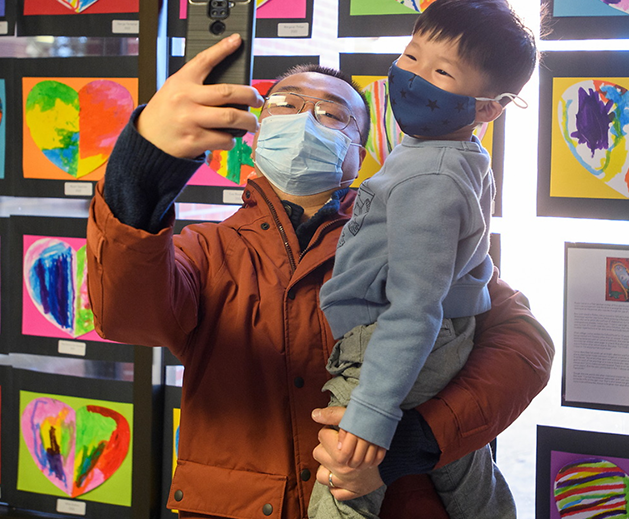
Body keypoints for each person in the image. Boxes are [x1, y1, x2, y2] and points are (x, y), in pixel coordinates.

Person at [86, 32, 554, 519]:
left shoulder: (413, 229)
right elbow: (125, 316)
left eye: (332, 114)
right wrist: (141, 165)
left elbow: (525, 343)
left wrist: (420, 438)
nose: (305, 120)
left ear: (358, 153)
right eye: (285, 105)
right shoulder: (207, 250)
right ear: (259, 131)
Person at [309, 0, 537, 519]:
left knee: (344, 481)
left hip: (389, 350)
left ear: (486, 107)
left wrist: (370, 410)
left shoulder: (430, 178)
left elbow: (414, 307)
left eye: (442, 73)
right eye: (411, 56)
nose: (412, 76)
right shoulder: (453, 155)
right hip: (448, 342)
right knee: (461, 465)